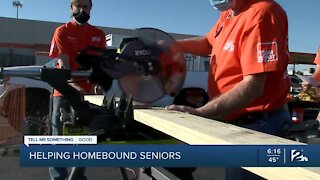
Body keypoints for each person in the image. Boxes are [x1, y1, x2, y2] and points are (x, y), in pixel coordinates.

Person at [166, 0, 292, 179]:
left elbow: (254, 86)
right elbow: (209, 43)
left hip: (259, 126)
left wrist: (201, 113)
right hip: (239, 122)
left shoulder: (261, 13)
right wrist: (172, 46)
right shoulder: (230, 12)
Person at [48, 0, 106, 179]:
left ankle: (78, 177)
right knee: (59, 139)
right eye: (78, 6)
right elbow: (64, 63)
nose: (82, 9)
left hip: (88, 95)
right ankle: (59, 177)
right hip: (64, 92)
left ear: (91, 9)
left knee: (85, 140)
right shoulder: (62, 31)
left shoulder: (98, 34)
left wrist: (97, 83)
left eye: (86, 6)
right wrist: (73, 85)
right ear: (71, 8)